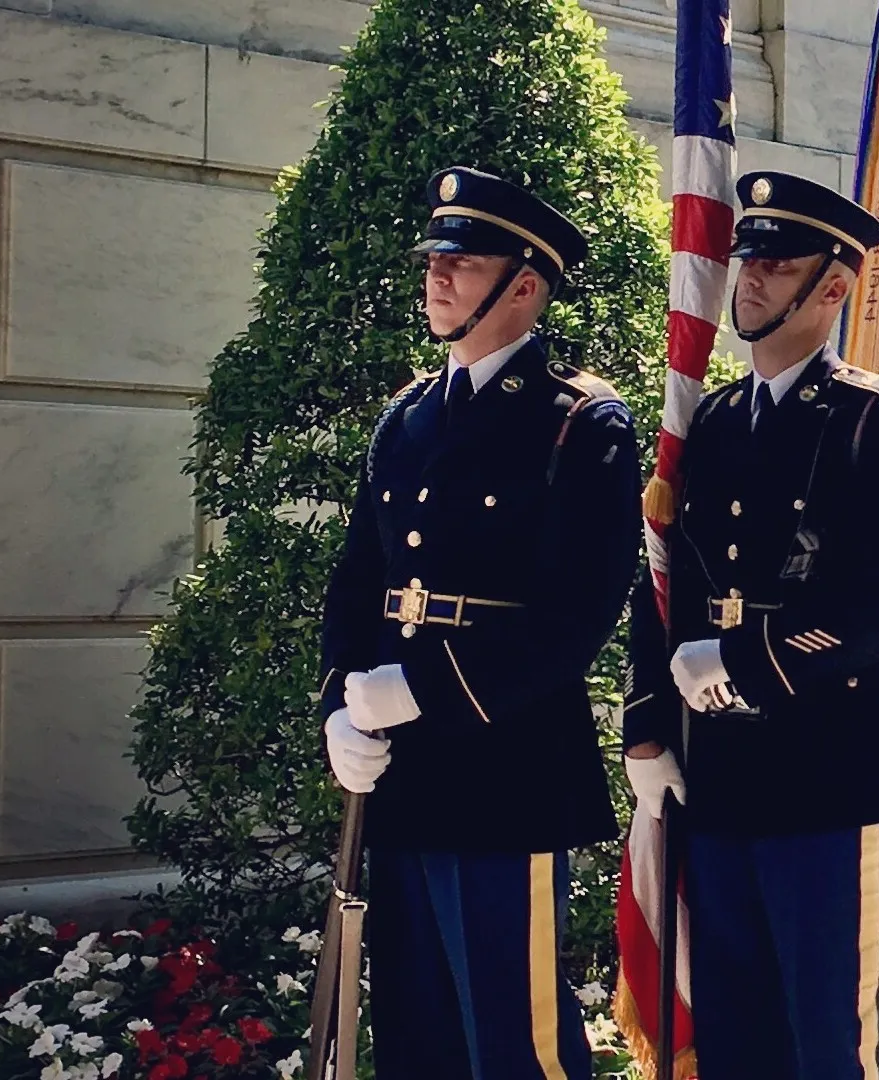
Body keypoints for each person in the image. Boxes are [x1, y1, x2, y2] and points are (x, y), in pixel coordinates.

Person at [318, 166, 642, 1078]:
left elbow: (575, 615)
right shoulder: (408, 416)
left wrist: (419, 687)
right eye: (434, 259)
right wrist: (337, 705)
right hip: (402, 771)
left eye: (461, 263)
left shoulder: (578, 422)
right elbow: (358, 582)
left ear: (524, 286)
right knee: (416, 1035)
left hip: (507, 769)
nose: (437, 275)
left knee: (515, 1037)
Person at [620, 170, 879, 1080]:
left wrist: (745, 660)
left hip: (829, 780)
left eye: (776, 263)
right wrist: (645, 724)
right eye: (747, 259)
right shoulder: (715, 422)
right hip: (722, 777)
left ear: (832, 288)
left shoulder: (876, 419)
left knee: (834, 1037)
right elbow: (662, 579)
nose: (750, 277)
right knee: (737, 1037)